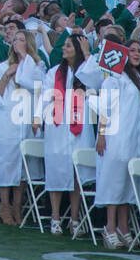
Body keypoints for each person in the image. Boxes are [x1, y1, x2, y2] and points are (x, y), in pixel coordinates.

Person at [76, 38, 140, 248]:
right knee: (114, 182)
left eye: (139, 51)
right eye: (132, 50)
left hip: (136, 139)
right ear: (123, 54)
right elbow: (105, 107)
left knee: (129, 184)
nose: (136, 54)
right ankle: (109, 227)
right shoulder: (115, 77)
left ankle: (124, 227)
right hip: (116, 136)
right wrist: (101, 135)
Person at [17, 32, 94, 237]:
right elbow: (45, 95)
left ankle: (75, 218)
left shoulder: (86, 68)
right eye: (64, 46)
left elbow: (95, 80)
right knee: (57, 170)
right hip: (58, 124)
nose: (64, 49)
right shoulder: (54, 72)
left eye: (69, 46)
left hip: (79, 122)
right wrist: (36, 117)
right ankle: (56, 217)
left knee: (77, 171)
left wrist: (87, 55)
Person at [0, 32, 41, 225]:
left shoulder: (37, 66)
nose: (17, 43)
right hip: (7, 122)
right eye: (15, 40)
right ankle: (4, 206)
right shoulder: (2, 66)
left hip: (27, 121)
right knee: (6, 164)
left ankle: (18, 206)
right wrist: (7, 74)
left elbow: (39, 90)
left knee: (22, 166)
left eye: (21, 40)